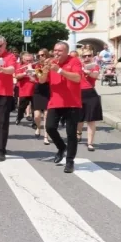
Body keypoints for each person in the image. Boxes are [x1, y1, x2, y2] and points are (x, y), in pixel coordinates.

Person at [37, 41, 83, 174]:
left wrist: (60, 70)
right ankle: (61, 147)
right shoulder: (50, 62)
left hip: (72, 102)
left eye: (60, 51)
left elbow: (77, 78)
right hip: (55, 101)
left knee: (71, 133)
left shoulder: (74, 61)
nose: (56, 53)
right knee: (50, 127)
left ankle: (70, 161)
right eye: (55, 50)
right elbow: (41, 80)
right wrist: (45, 71)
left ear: (66, 52)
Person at [77, 50, 103, 151]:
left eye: (89, 56)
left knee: (91, 119)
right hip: (78, 94)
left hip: (90, 93)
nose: (87, 58)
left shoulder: (94, 66)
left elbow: (95, 76)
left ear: (93, 56)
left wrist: (87, 71)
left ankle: (90, 143)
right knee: (79, 118)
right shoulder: (77, 66)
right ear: (81, 57)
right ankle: (78, 133)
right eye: (84, 56)